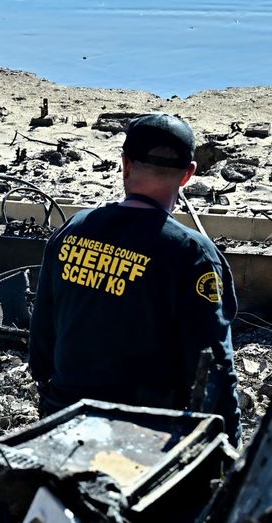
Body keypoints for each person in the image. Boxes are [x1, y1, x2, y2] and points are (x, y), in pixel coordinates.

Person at [28, 113, 241, 445]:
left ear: (125, 164)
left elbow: (41, 338)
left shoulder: (72, 230)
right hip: (143, 435)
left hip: (64, 419)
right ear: (187, 175)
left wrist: (51, 394)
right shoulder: (193, 254)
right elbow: (215, 364)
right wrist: (230, 449)